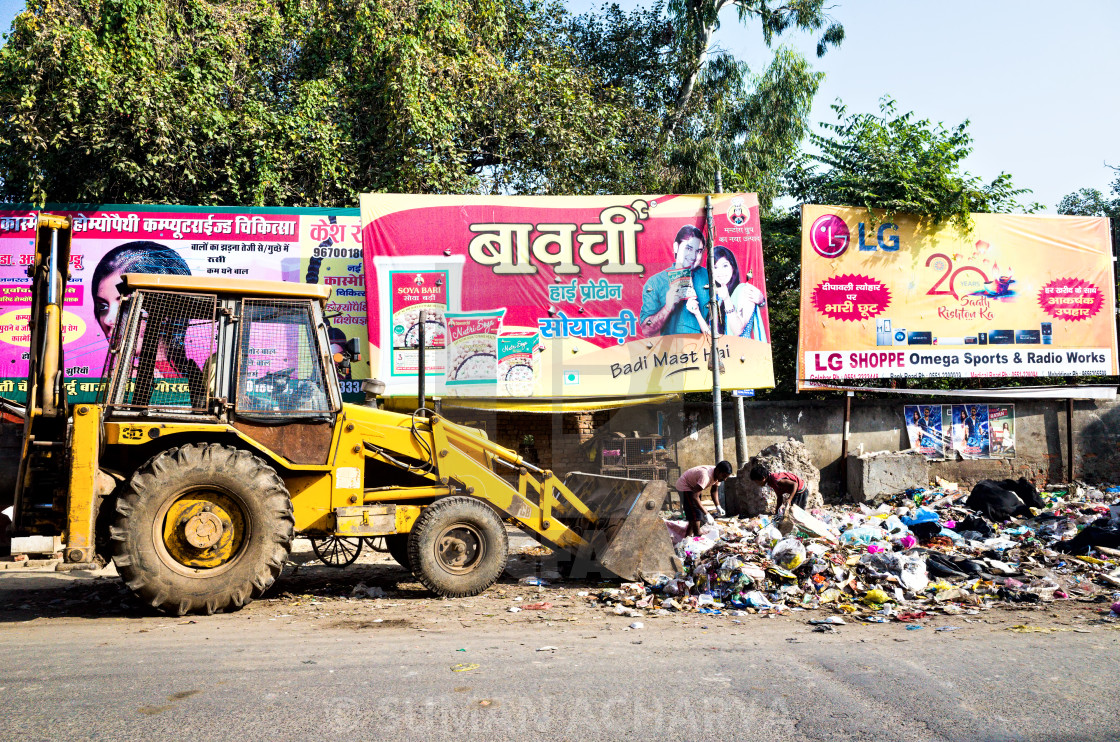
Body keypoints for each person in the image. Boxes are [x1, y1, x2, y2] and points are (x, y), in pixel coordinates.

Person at [90, 242, 204, 407]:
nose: (109, 320)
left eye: (126, 305)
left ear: (167, 309)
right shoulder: (121, 377)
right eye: (103, 307)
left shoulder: (189, 374)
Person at [639, 225, 710, 337]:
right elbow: (646, 330)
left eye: (699, 251)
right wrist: (667, 307)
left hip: (705, 350)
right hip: (673, 352)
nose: (693, 256)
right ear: (676, 247)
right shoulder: (655, 282)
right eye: (689, 248)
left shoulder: (709, 277)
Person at [711, 245, 767, 341]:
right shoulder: (716, 296)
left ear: (732, 267)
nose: (720, 272)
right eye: (715, 267)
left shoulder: (745, 290)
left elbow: (738, 330)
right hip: (722, 352)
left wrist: (727, 299)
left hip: (742, 353)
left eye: (725, 265)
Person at [676, 460, 733, 537]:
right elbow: (694, 496)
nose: (725, 479)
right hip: (685, 486)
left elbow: (714, 490)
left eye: (726, 477)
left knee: (695, 513)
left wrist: (718, 506)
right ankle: (697, 534)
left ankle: (688, 536)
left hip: (695, 487)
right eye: (724, 476)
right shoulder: (705, 476)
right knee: (695, 512)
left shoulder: (718, 476)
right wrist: (706, 513)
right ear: (718, 471)